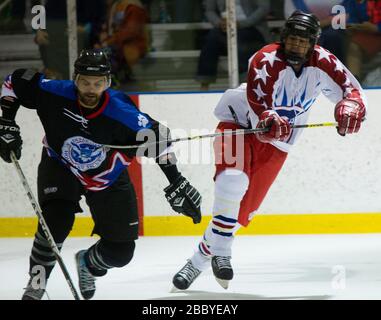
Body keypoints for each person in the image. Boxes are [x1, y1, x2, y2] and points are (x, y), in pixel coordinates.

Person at [172, 10, 367, 290]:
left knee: (239, 214)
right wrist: (268, 118)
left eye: (304, 41)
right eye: (293, 40)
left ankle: (199, 259)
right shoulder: (265, 59)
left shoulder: (325, 63)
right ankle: (223, 253)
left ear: (313, 43)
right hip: (239, 123)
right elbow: (258, 103)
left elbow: (353, 92)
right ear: (283, 38)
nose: (297, 46)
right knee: (232, 181)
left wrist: (352, 107)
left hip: (278, 143)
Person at [0, 49, 202, 300]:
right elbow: (12, 82)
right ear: (75, 79)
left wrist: (177, 181)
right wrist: (7, 122)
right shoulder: (53, 92)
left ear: (107, 82)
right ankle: (36, 284)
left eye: (97, 83)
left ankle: (88, 263)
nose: (90, 89)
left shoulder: (122, 113)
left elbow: (160, 139)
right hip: (61, 165)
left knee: (121, 252)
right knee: (56, 222)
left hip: (108, 177)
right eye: (84, 81)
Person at [196, 0, 271, 91]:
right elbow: (209, 10)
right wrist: (219, 23)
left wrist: (242, 23)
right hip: (225, 26)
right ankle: (204, 85)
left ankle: (246, 86)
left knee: (242, 41)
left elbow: (264, 8)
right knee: (211, 40)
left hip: (252, 27)